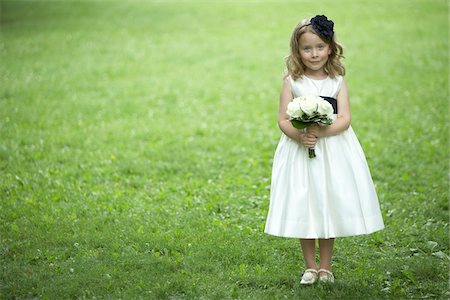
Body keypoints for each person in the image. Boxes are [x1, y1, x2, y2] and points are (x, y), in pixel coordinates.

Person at [264, 15, 384, 284]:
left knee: (327, 202)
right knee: (305, 204)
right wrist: (300, 135)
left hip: (333, 152)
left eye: (320, 46)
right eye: (307, 48)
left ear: (330, 47)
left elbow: (344, 119)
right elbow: (283, 119)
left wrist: (320, 132)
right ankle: (310, 266)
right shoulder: (292, 81)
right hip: (300, 153)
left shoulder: (337, 80)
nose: (314, 53)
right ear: (297, 51)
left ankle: (326, 267)